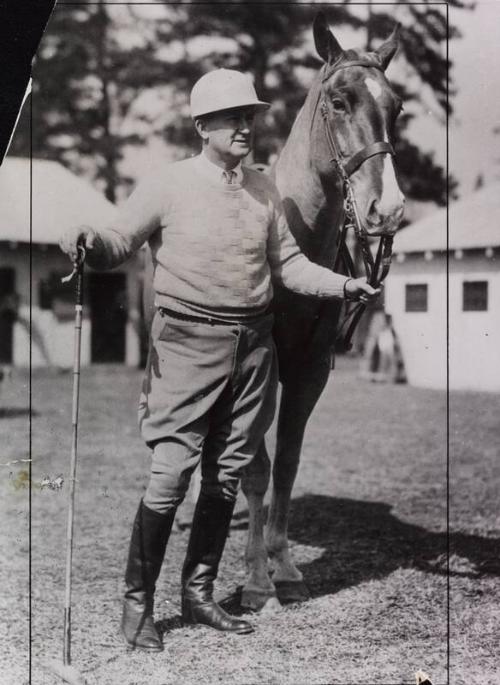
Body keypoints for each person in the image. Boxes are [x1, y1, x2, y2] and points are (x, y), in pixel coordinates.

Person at [60, 68, 381, 652]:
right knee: (170, 474)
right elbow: (116, 241)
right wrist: (88, 239)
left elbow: (287, 266)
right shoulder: (169, 184)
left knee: (226, 474)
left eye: (251, 117)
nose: (246, 128)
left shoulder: (263, 190)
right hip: (187, 345)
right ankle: (138, 607)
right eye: (233, 118)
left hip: (252, 349)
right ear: (202, 125)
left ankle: (198, 595)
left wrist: (342, 285)